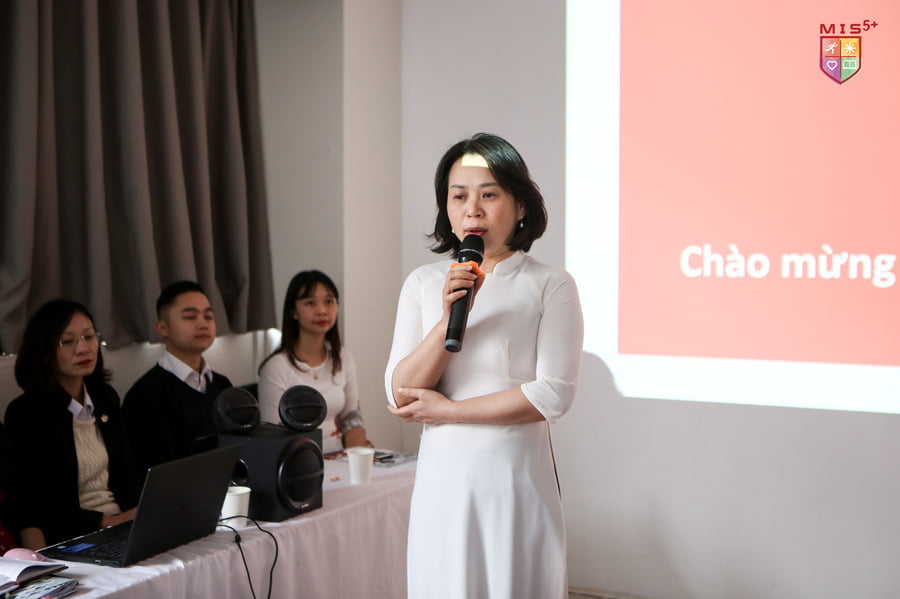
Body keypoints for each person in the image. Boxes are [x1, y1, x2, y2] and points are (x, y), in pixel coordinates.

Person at [384, 133, 584, 598]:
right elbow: (401, 394)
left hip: (513, 481)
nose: (472, 208)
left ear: (520, 206)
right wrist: (449, 316)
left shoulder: (550, 284)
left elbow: (553, 394)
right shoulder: (423, 283)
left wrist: (450, 411)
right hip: (442, 482)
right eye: (459, 196)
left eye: (489, 195)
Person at [4, 300, 140, 548]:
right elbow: (31, 502)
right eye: (67, 341)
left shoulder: (105, 398)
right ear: (44, 353)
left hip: (122, 527)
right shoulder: (27, 413)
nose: (83, 348)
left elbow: (127, 472)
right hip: (73, 537)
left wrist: (139, 516)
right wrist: (107, 521)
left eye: (89, 337)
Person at [123, 281, 233, 476]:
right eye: (190, 317)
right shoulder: (146, 394)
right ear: (162, 328)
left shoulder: (222, 384)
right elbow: (158, 470)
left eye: (208, 316)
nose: (203, 324)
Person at [258, 270, 368, 454]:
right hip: (297, 459)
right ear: (293, 311)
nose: (322, 310)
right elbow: (272, 435)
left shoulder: (343, 357)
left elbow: (352, 419)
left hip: (339, 456)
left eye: (329, 301)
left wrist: (357, 457)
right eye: (310, 303)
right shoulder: (276, 367)